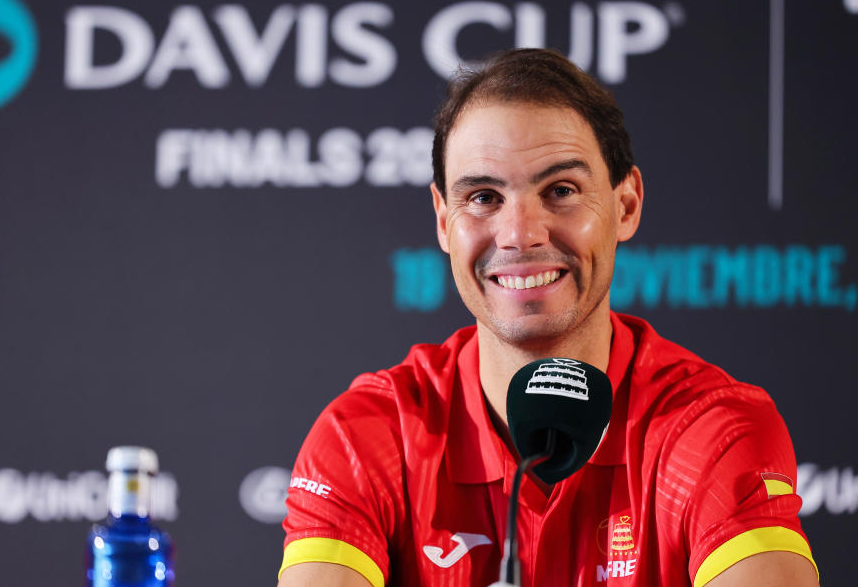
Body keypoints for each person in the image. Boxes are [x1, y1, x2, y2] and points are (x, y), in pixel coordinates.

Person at [276, 49, 819, 587]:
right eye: (484, 197)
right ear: (444, 222)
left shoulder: (709, 429)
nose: (520, 233)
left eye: (560, 191)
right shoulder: (369, 435)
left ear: (625, 206)